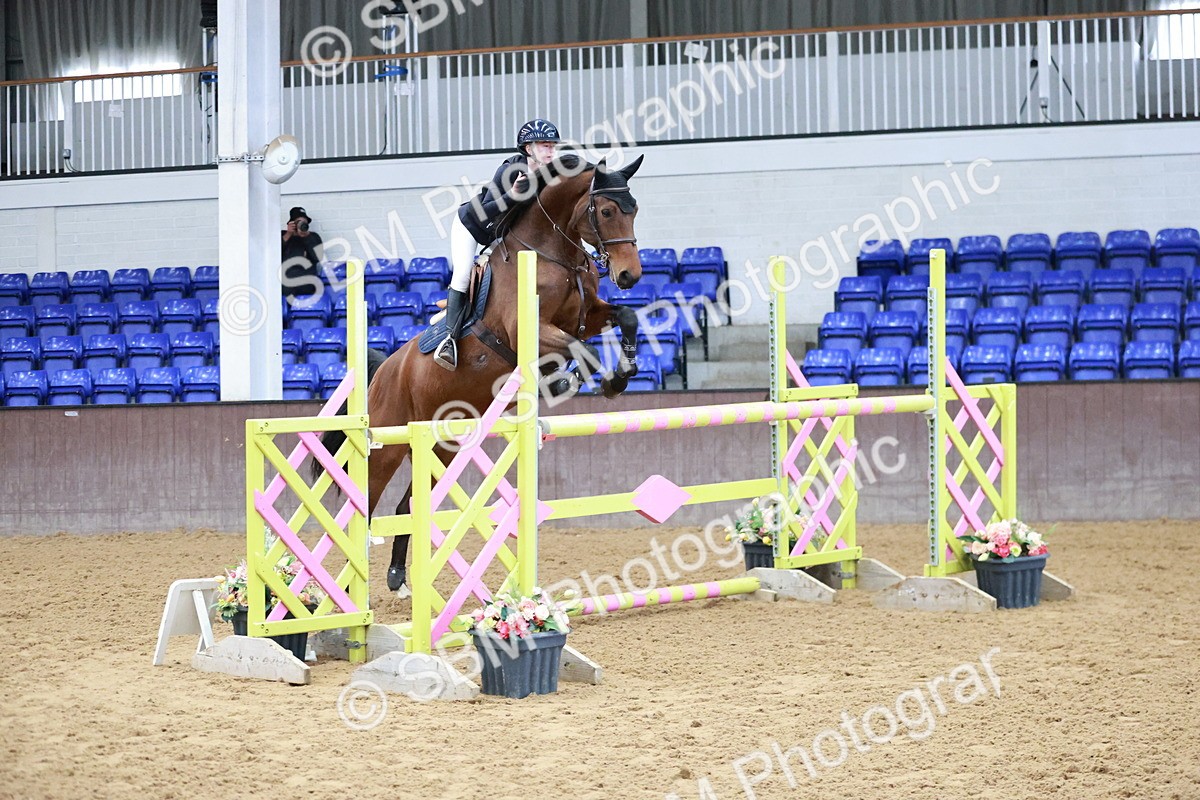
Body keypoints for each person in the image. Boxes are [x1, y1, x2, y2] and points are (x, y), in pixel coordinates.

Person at [434, 119, 562, 370]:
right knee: (462, 274)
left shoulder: (550, 175)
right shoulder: (511, 171)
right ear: (528, 149)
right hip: (472, 227)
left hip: (501, 236)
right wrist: (512, 196)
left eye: (552, 146)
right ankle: (449, 340)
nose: (550, 151)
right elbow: (485, 212)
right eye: (544, 146)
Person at [281, 206, 324, 300]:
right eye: (298, 222)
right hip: (286, 281)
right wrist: (288, 234)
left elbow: (318, 257)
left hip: (307, 281)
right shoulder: (283, 235)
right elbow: (272, 255)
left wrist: (306, 237)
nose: (301, 225)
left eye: (304, 222)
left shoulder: (313, 237)